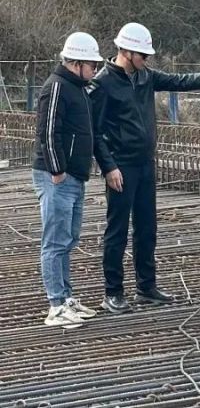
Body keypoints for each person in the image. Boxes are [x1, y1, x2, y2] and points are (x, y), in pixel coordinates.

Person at [91, 22, 200, 313]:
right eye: (143, 55)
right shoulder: (103, 83)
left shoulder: (145, 76)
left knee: (147, 227)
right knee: (117, 229)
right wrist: (109, 167)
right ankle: (113, 292)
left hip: (146, 162)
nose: (147, 60)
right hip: (121, 167)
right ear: (127, 51)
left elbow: (178, 80)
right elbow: (94, 133)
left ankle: (147, 286)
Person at [32, 33, 104, 327]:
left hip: (73, 176)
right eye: (92, 65)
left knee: (68, 238)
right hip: (58, 177)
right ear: (76, 63)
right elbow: (48, 131)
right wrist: (57, 169)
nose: (95, 70)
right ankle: (56, 303)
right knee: (55, 240)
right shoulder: (58, 87)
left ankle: (66, 297)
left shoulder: (77, 88)